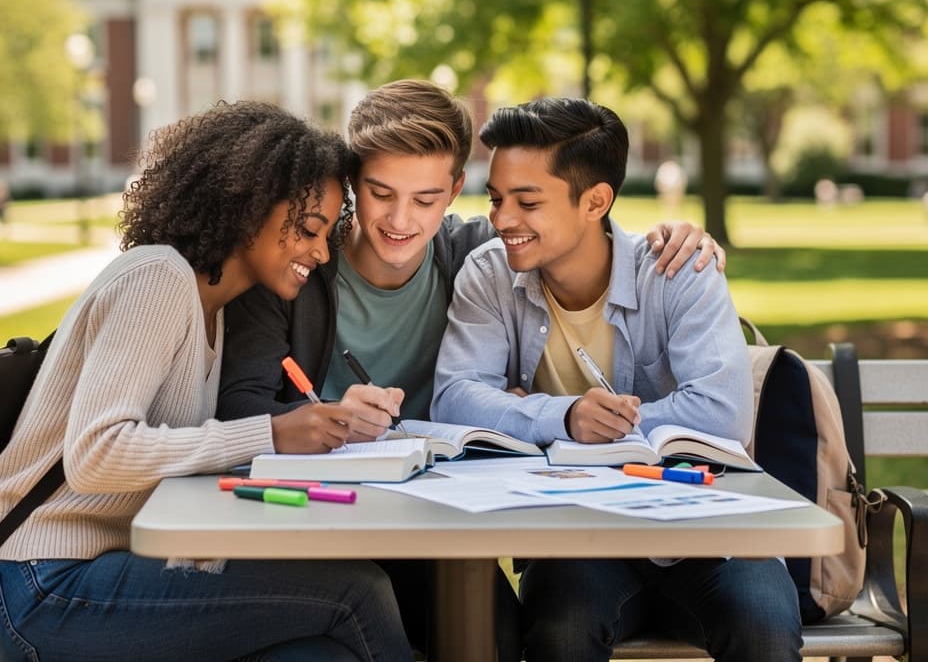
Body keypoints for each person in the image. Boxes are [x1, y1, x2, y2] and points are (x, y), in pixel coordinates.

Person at [217, 79, 725, 657]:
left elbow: (571, 221)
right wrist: (317, 420)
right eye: (380, 193)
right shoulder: (295, 267)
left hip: (431, 523)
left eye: (426, 199)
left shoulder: (476, 257)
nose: (400, 221)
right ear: (352, 183)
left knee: (497, 639)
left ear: (456, 188)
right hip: (313, 522)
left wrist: (676, 237)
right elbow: (238, 411)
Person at [0, 101, 411, 662]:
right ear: (248, 204)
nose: (320, 253)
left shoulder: (215, 307)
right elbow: (95, 453)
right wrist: (273, 435)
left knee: (320, 653)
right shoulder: (158, 280)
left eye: (327, 234)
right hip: (42, 586)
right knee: (358, 592)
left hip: (108, 568)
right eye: (308, 229)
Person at [432, 97, 802, 661]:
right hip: (577, 544)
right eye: (498, 199)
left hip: (708, 538)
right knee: (559, 632)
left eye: (527, 201)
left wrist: (560, 423)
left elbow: (722, 411)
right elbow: (455, 398)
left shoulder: (678, 272)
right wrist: (565, 416)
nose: (503, 219)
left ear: (595, 201)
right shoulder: (489, 274)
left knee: (766, 631)